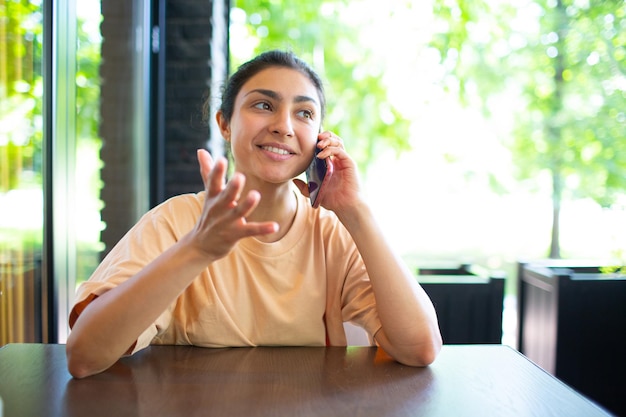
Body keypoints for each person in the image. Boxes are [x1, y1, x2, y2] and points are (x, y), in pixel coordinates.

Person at [65, 50, 442, 379]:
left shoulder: (332, 232)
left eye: (305, 113)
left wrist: (356, 212)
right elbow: (84, 357)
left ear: (320, 139)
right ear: (225, 124)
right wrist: (197, 249)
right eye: (264, 105)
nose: (283, 125)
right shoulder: (177, 221)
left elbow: (420, 349)